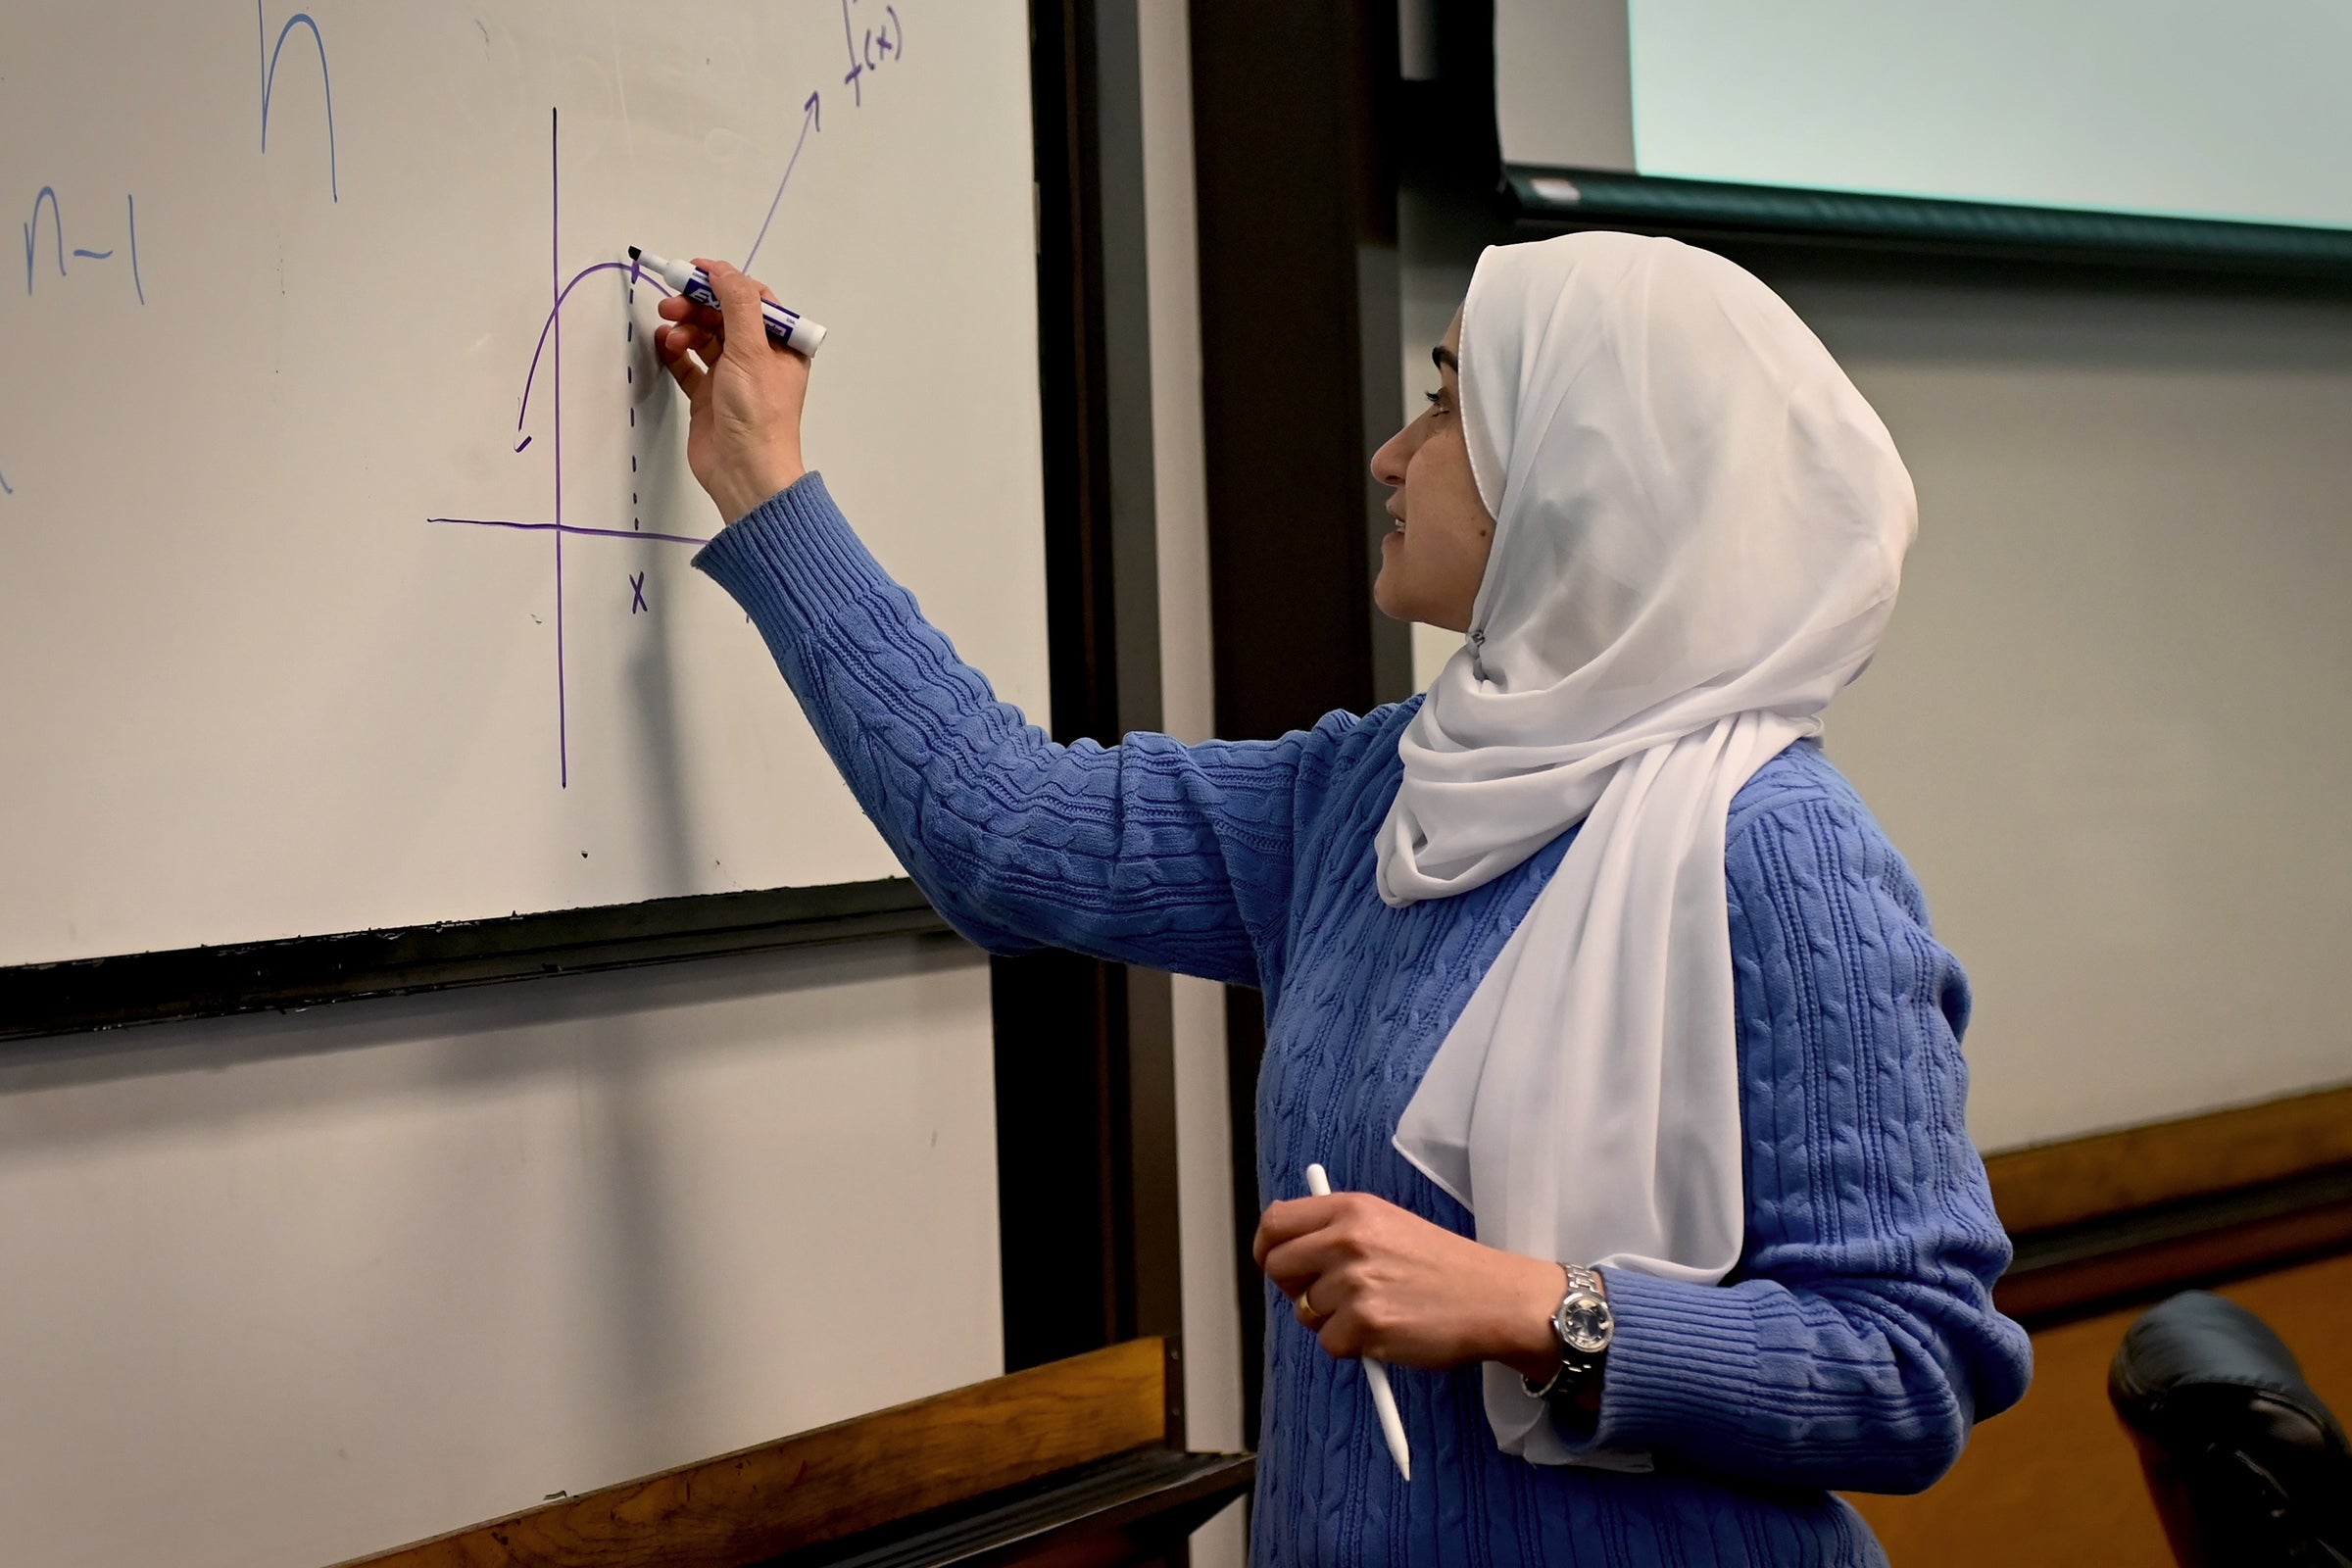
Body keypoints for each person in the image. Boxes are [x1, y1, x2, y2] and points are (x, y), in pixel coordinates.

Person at [653, 230, 2032, 1567]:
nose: (1393, 452)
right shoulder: (1372, 790)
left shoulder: (1780, 851)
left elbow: (1911, 1368)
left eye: (1446, 407)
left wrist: (1541, 1311)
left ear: (1588, 471)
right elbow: (1001, 829)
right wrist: (763, 481)